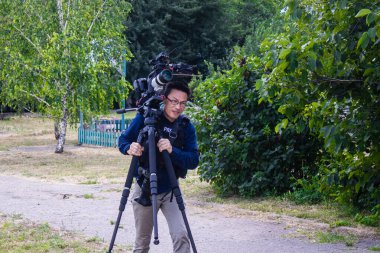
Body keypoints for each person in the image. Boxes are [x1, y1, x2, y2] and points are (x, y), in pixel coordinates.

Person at [118, 81, 199, 253]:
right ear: (165, 99)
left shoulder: (186, 126)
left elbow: (193, 160)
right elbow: (122, 141)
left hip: (170, 189)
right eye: (174, 101)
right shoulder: (147, 117)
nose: (178, 107)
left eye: (183, 103)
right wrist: (129, 148)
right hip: (144, 189)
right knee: (142, 243)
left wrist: (172, 150)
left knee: (181, 235)